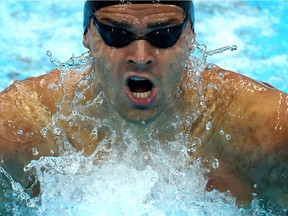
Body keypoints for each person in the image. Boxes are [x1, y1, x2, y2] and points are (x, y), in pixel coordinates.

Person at [0, 0, 287, 211]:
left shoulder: (266, 130)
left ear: (190, 37)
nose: (140, 56)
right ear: (87, 35)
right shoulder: (20, 128)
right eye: (116, 34)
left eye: (163, 35)